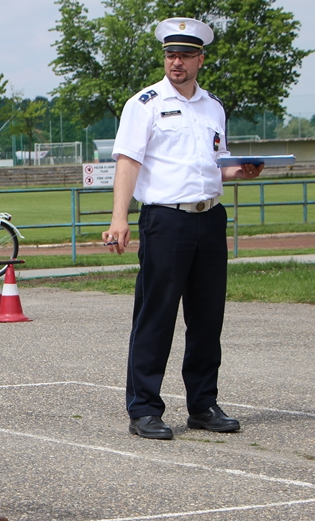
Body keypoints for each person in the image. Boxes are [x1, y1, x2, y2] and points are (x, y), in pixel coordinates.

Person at [103, 18, 264, 440]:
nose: (177, 62)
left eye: (185, 55)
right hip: (166, 219)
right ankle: (144, 408)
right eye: (171, 55)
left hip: (210, 217)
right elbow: (128, 162)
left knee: (208, 317)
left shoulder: (213, 106)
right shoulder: (145, 103)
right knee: (155, 315)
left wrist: (241, 172)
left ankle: (203, 404)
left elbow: (216, 165)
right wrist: (119, 217)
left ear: (200, 60)